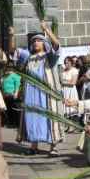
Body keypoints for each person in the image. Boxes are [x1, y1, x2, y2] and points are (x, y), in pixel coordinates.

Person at [16, 23, 64, 155]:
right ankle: (33, 146)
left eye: (39, 40)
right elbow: (14, 56)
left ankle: (53, 147)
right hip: (31, 93)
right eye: (34, 41)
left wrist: (47, 30)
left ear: (44, 43)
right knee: (33, 117)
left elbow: (57, 46)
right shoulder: (29, 58)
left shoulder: (49, 57)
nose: (36, 42)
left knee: (50, 117)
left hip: (46, 94)